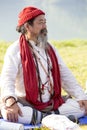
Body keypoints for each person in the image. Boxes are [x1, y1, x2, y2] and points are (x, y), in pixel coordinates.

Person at [0, 6, 87, 124]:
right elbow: (7, 78)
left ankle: (43, 117)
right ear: (27, 26)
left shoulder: (50, 48)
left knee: (81, 107)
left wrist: (81, 96)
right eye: (40, 23)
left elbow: (65, 75)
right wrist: (11, 101)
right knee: (10, 113)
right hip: (26, 103)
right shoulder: (15, 50)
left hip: (52, 103)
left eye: (45, 22)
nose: (45, 26)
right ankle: (55, 117)